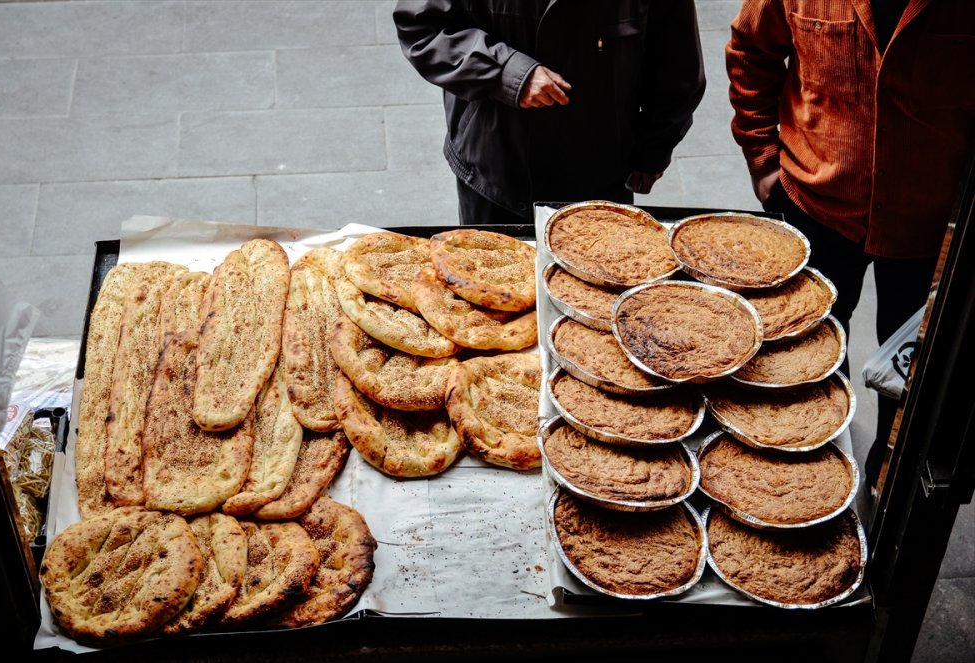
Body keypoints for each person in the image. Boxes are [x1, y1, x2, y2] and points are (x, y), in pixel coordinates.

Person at [725, 0, 975, 492]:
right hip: (817, 203)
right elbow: (751, 48)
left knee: (915, 374)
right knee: (805, 351)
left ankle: (887, 479)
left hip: (931, 222)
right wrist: (762, 155)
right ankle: (813, 467)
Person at [392, 0, 706, 225]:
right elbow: (422, 27)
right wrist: (505, 72)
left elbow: (678, 66)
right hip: (495, 168)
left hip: (599, 175)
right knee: (487, 288)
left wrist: (652, 151)